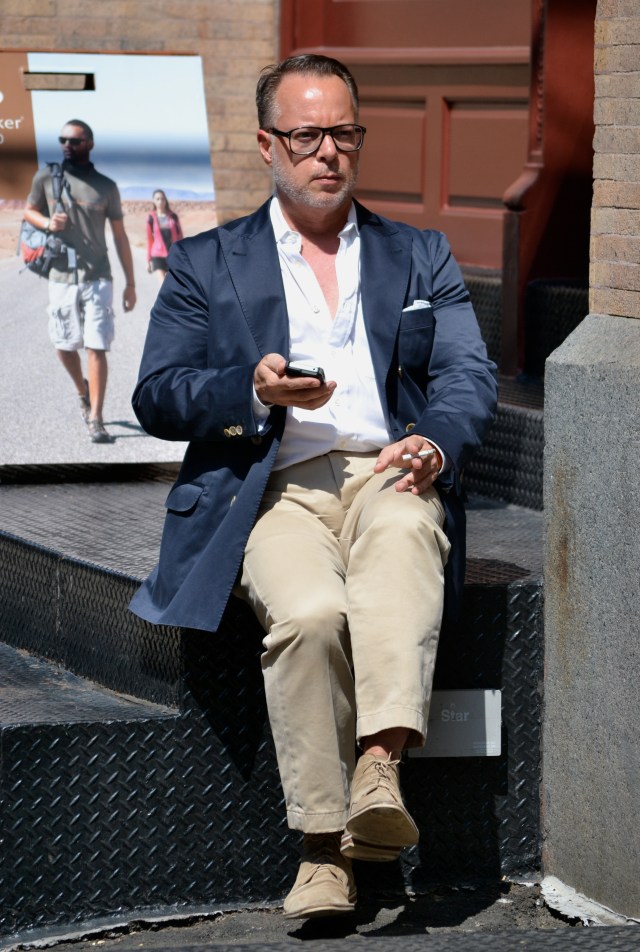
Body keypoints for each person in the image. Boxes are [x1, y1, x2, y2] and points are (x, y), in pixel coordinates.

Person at [130, 55, 497, 919]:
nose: (328, 152)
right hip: (274, 487)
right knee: (309, 616)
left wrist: (433, 443)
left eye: (344, 132)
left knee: (404, 534)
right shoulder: (206, 261)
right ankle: (324, 845)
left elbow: (468, 374)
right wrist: (250, 391)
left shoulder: (419, 253)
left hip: (388, 469)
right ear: (268, 145)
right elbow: (157, 394)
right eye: (306, 136)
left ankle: (378, 770)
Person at [24, 119, 136, 444]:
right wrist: (48, 223)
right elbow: (29, 211)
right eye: (63, 140)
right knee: (63, 346)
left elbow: (120, 236)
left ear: (89, 143)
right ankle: (82, 390)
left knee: (96, 345)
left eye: (74, 140)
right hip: (60, 276)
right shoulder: (46, 177)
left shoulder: (106, 186)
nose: (67, 145)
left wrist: (130, 283)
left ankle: (96, 418)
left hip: (98, 276)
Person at [146, 189, 183, 283]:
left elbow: (180, 237)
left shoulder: (173, 217)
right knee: (163, 284)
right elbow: (149, 240)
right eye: (157, 199)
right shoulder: (151, 218)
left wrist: (182, 254)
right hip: (157, 255)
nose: (160, 201)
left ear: (166, 200)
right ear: (153, 201)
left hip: (172, 254)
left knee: (173, 284)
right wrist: (148, 260)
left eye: (162, 199)